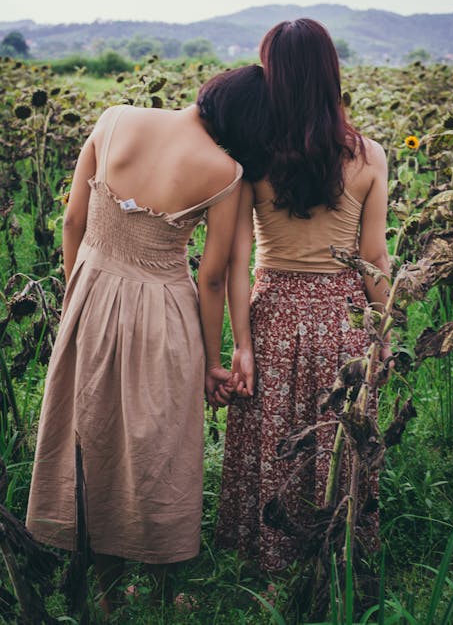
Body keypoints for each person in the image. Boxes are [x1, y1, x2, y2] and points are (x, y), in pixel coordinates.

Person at [26, 67, 264, 614]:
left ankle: (107, 590)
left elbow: (72, 221)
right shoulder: (225, 172)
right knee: (161, 444)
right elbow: (211, 276)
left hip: (91, 294)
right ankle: (162, 591)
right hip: (164, 312)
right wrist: (211, 361)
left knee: (94, 431)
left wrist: (76, 298)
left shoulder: (115, 119)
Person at [214, 19, 391, 573]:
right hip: (343, 315)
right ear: (330, 74)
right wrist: (383, 334)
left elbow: (239, 263)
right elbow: (374, 258)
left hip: (272, 310)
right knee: (339, 434)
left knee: (273, 435)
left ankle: (263, 552)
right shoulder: (369, 156)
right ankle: (338, 552)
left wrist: (240, 341)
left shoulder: (252, 157)